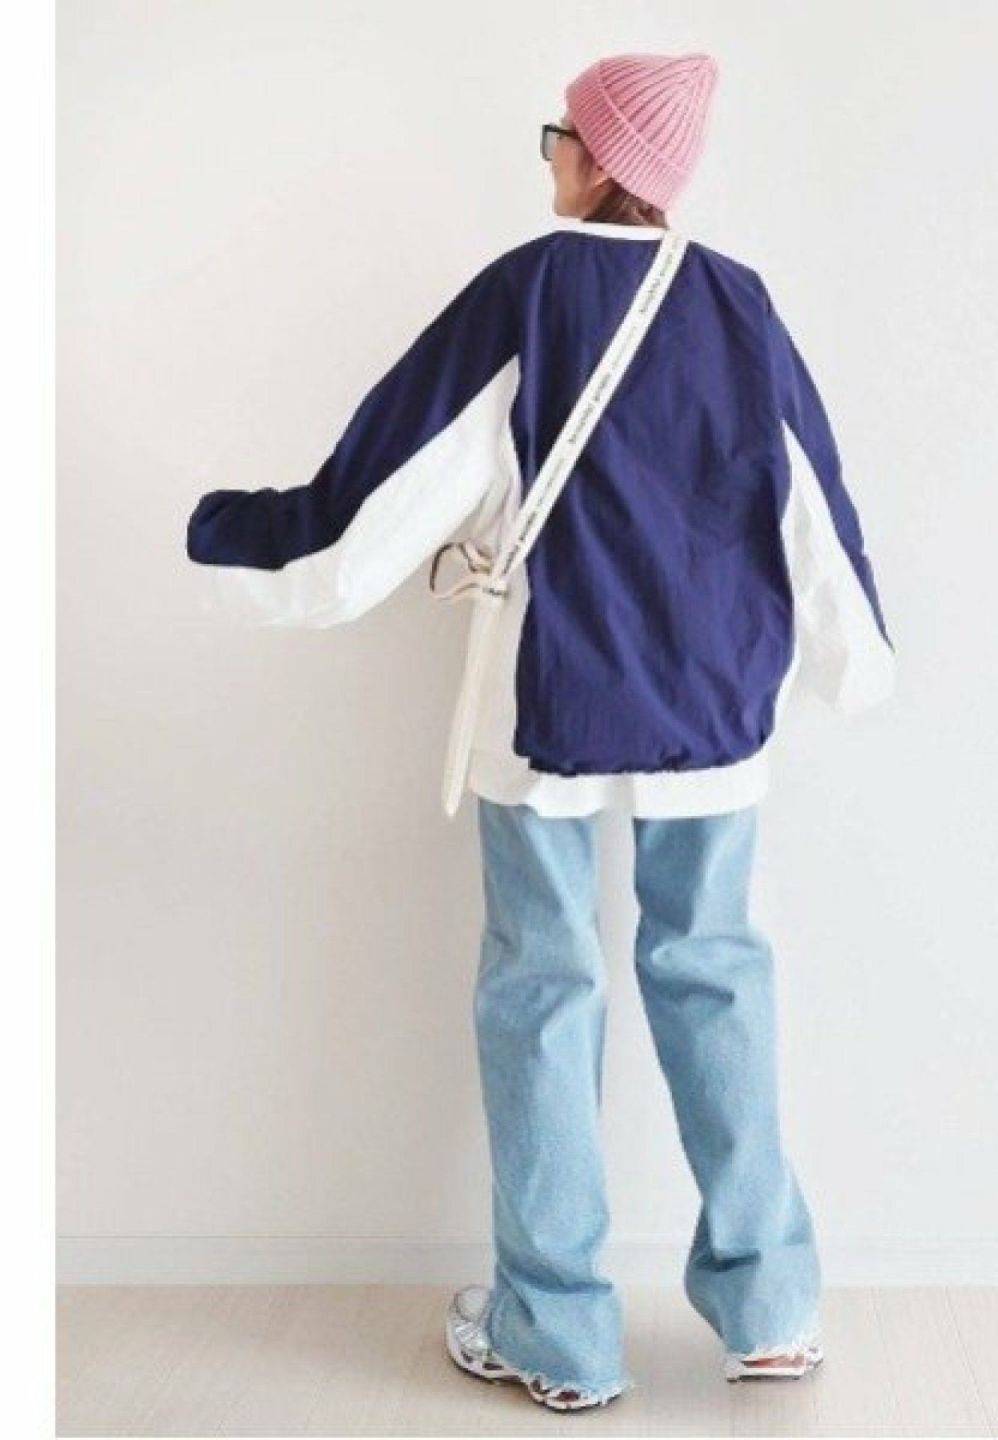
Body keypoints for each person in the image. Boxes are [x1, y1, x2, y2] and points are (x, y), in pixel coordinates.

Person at [186, 50, 896, 1414]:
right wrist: (855, 666)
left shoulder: (525, 292)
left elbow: (380, 492)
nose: (550, 153)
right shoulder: (742, 305)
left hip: (550, 708)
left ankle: (560, 1335)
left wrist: (227, 534)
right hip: (714, 715)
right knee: (718, 975)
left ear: (600, 155)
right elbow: (816, 507)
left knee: (543, 991)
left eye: (559, 132)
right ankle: (770, 1310)